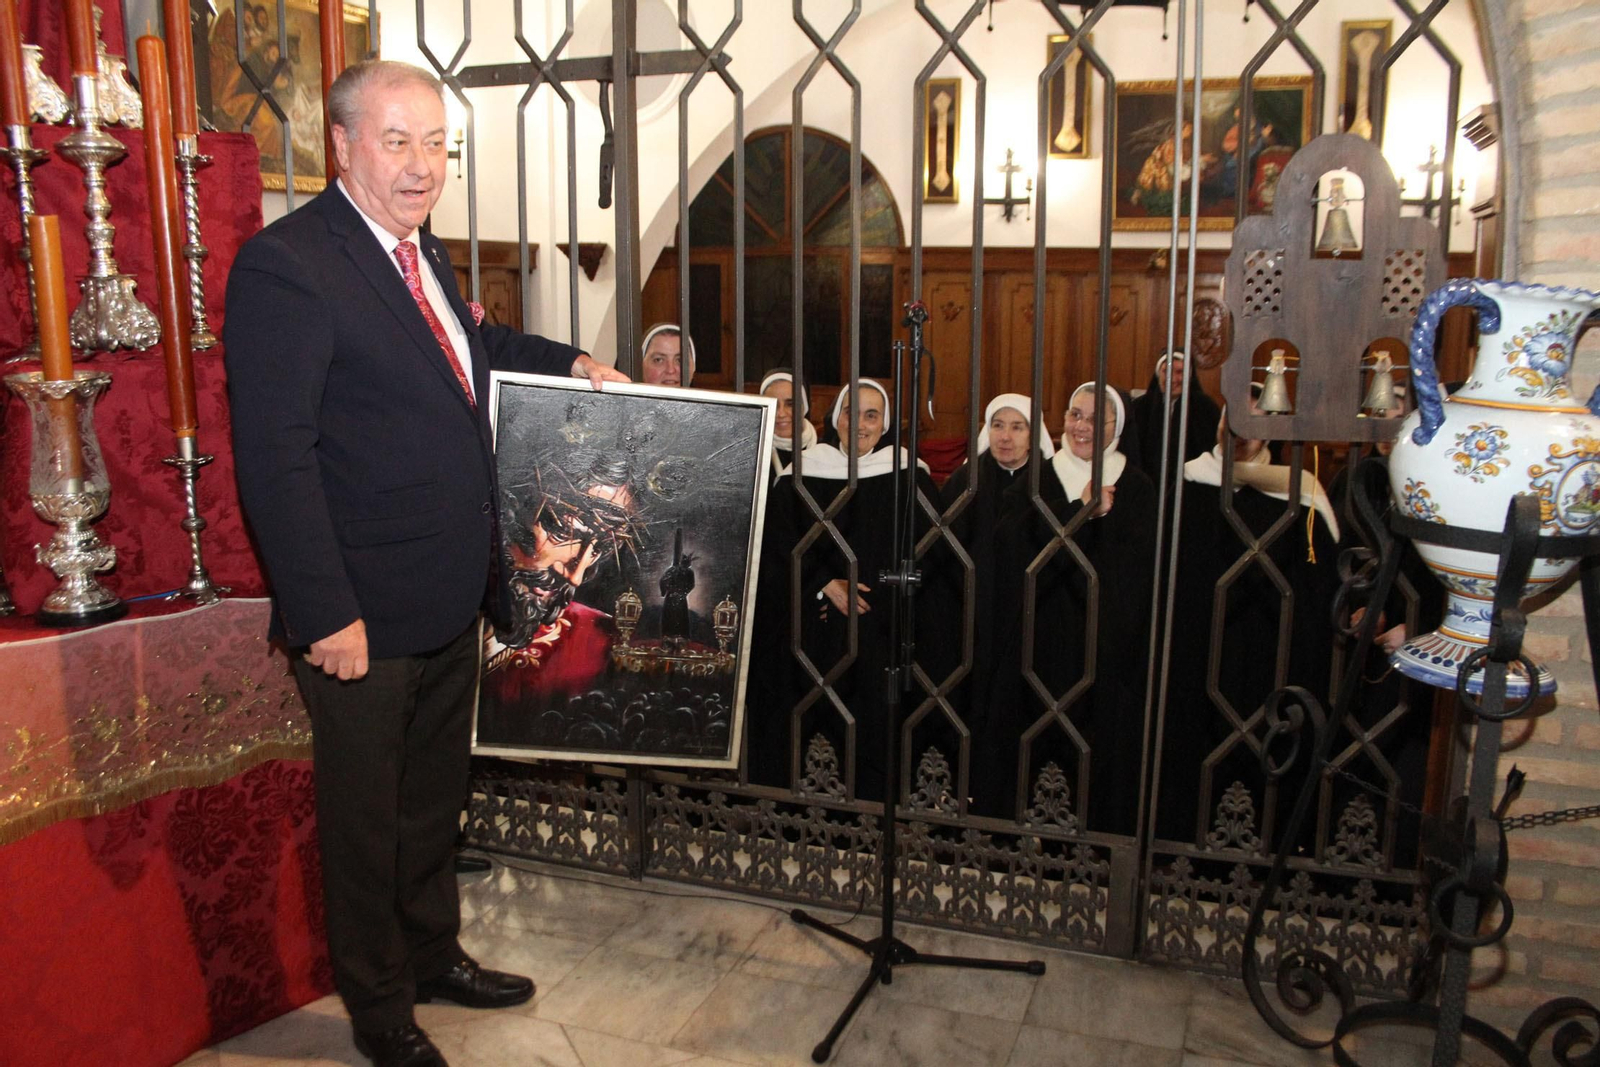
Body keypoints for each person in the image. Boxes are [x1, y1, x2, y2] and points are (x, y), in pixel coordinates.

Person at [224, 59, 626, 1067]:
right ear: (343, 143)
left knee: (430, 799)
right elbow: (275, 456)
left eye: (437, 143)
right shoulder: (289, 263)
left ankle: (434, 950)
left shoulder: (419, 252)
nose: (422, 165)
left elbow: (472, 353)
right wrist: (324, 612)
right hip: (359, 610)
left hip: (450, 595)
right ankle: (380, 1004)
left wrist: (571, 362)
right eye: (397, 141)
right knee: (364, 818)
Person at [1155, 394, 1339, 846]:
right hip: (1199, 645)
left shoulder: (1298, 491)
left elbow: (1317, 584)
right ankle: (1185, 847)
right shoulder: (1192, 480)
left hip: (1267, 651)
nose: (1241, 432)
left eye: (1255, 422)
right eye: (1233, 421)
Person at [982, 384, 1156, 831]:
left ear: (1119, 427)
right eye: (1075, 414)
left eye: (1097, 420)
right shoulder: (1039, 478)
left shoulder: (1136, 486)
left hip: (1102, 645)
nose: (1082, 427)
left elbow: (1141, 574)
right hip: (1038, 638)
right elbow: (1009, 546)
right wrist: (1077, 511)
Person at [758, 380, 938, 801]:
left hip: (883, 632)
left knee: (876, 728)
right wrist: (821, 583)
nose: (859, 424)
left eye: (871, 415)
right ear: (834, 418)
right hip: (815, 633)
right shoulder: (801, 473)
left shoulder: (909, 475)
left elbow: (932, 557)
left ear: (885, 424)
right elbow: (775, 549)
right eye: (850, 413)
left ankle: (875, 817)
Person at [926, 394, 1055, 774]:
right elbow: (943, 553)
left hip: (1030, 616)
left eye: (1018, 427)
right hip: (975, 618)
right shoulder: (968, 480)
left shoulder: (1050, 480)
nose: (1006, 437)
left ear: (1034, 435)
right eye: (998, 425)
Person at [1127, 350, 1221, 484]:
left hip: (1192, 486)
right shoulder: (1139, 407)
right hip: (1148, 483)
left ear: (1189, 375)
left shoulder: (1206, 408)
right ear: (1158, 373)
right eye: (1166, 371)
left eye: (1179, 372)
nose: (1172, 378)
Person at [759, 368, 817, 484]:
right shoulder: (753, 454)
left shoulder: (825, 453)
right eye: (774, 404)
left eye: (790, 404)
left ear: (804, 407)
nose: (781, 413)